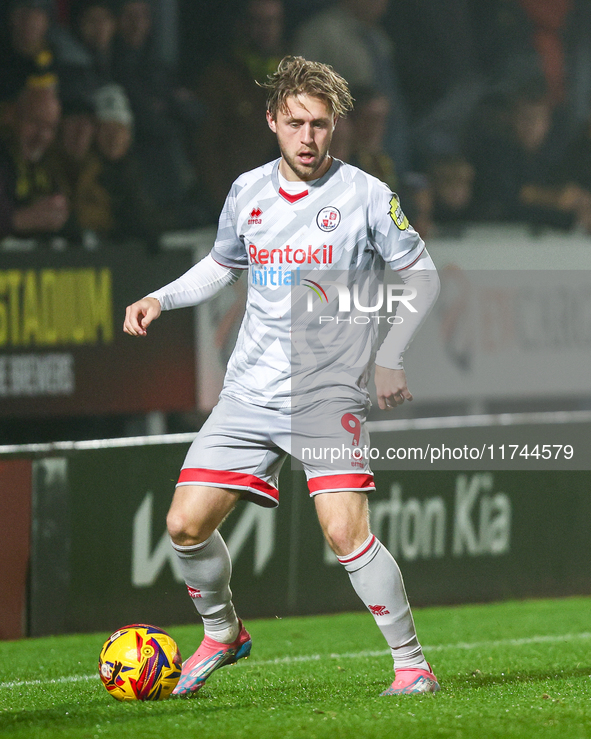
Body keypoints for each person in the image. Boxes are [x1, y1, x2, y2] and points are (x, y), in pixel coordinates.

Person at [123, 56, 441, 697]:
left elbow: (422, 275)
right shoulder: (247, 191)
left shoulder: (366, 195)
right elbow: (221, 265)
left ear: (335, 128)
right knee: (184, 527)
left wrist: (391, 353)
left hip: (327, 394)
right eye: (294, 123)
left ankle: (413, 666)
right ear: (271, 121)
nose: (307, 137)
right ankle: (222, 633)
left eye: (320, 125)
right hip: (247, 392)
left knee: (345, 531)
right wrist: (161, 297)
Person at [0, 83, 69, 239]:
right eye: (34, 122)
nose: (42, 136)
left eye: (50, 127)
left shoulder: (51, 163)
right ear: (11, 115)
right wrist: (21, 219)